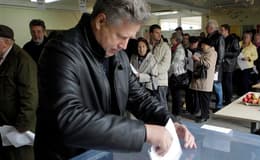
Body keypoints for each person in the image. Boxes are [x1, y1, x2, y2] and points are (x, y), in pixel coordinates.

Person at [34, 1, 196, 160]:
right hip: (68, 154)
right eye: (121, 36)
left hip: (102, 151)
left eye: (130, 38)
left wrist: (169, 122)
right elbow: (70, 119)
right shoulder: (61, 52)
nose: (125, 46)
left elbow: (140, 97)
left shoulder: (117, 55)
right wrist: (144, 132)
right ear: (101, 21)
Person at [0, 25, 38, 160]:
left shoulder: (23, 60)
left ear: (7, 42)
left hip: (18, 129)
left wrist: (20, 129)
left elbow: (30, 98)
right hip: (5, 126)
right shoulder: (3, 57)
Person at [190, 38, 217, 123]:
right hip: (202, 79)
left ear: (208, 45)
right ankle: (205, 114)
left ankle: (204, 116)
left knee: (205, 99)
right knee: (203, 99)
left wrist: (198, 59)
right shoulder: (206, 52)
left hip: (206, 80)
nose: (201, 46)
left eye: (203, 45)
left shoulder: (212, 53)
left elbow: (208, 64)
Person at [149, 24, 171, 109]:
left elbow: (165, 66)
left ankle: (165, 122)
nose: (159, 34)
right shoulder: (147, 46)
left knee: (162, 105)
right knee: (151, 105)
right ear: (151, 33)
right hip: (148, 81)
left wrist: (150, 71)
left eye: (160, 32)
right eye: (156, 32)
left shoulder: (165, 47)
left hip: (160, 81)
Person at [205, 19, 225, 111]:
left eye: (207, 27)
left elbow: (221, 53)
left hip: (216, 65)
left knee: (217, 85)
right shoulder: (209, 36)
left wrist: (217, 67)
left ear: (211, 28)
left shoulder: (219, 37)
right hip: (209, 64)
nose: (205, 28)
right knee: (211, 84)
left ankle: (219, 105)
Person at [169, 32, 188, 116]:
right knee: (175, 95)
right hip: (175, 74)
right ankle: (175, 112)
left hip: (177, 75)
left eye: (171, 39)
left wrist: (168, 72)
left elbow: (174, 64)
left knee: (176, 95)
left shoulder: (179, 49)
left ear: (176, 40)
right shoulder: (174, 48)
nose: (170, 40)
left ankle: (177, 113)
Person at [220, 24, 240, 105]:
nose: (220, 32)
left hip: (229, 64)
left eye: (222, 30)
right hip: (222, 63)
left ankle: (228, 99)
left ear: (226, 31)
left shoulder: (233, 39)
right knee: (222, 82)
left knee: (227, 82)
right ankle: (224, 98)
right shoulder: (221, 39)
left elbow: (236, 52)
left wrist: (224, 54)